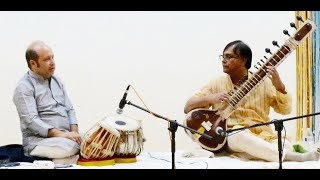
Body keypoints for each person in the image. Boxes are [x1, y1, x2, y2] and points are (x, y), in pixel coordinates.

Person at [184, 40, 319, 162]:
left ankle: (250, 154)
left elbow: (285, 110)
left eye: (229, 57)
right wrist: (210, 98)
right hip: (233, 134)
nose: (223, 60)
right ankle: (298, 158)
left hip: (263, 133)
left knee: (285, 144)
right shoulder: (216, 82)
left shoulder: (264, 83)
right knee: (240, 136)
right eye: (223, 56)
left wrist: (280, 87)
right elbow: (188, 107)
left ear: (243, 60)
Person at [13, 40, 81, 164]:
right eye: (46, 59)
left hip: (65, 137)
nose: (53, 62)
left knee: (95, 139)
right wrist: (63, 135)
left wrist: (74, 133)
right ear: (33, 64)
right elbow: (32, 121)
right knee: (68, 146)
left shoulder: (57, 81)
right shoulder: (24, 87)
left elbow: (70, 109)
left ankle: (65, 160)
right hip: (39, 142)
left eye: (52, 57)